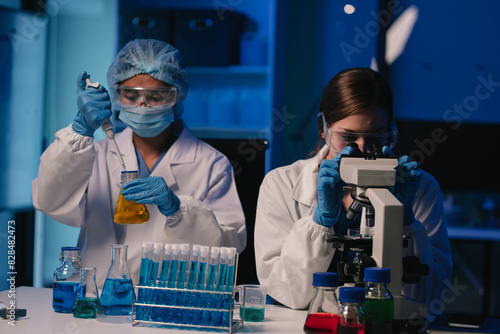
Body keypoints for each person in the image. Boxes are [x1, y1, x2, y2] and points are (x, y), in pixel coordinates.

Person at [32, 39, 246, 288]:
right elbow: (48, 201)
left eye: (156, 96)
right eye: (131, 95)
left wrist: (180, 212)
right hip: (96, 298)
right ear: (115, 94)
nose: (142, 106)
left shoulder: (210, 164)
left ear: (177, 96)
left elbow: (229, 248)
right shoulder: (94, 154)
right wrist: (80, 131)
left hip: (169, 303)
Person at [254, 67, 452, 312]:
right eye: (347, 138)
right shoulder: (280, 185)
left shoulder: (421, 188)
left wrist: (404, 221)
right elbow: (286, 292)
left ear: (391, 131)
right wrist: (322, 221)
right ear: (323, 129)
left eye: (376, 137)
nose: (363, 149)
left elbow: (428, 297)